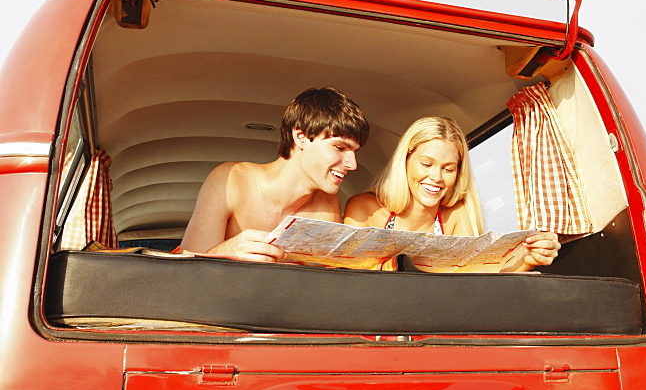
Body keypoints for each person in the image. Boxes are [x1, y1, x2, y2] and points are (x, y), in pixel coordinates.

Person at [343, 116, 560, 272]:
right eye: (427, 164)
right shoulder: (364, 209)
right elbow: (353, 280)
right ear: (405, 162)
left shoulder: (457, 213)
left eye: (448, 169)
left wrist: (527, 257)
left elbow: (474, 273)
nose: (437, 177)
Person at [180, 87, 368, 261]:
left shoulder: (327, 204)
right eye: (340, 147)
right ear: (301, 137)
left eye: (355, 152)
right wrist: (226, 252)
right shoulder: (230, 180)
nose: (352, 165)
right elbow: (184, 269)